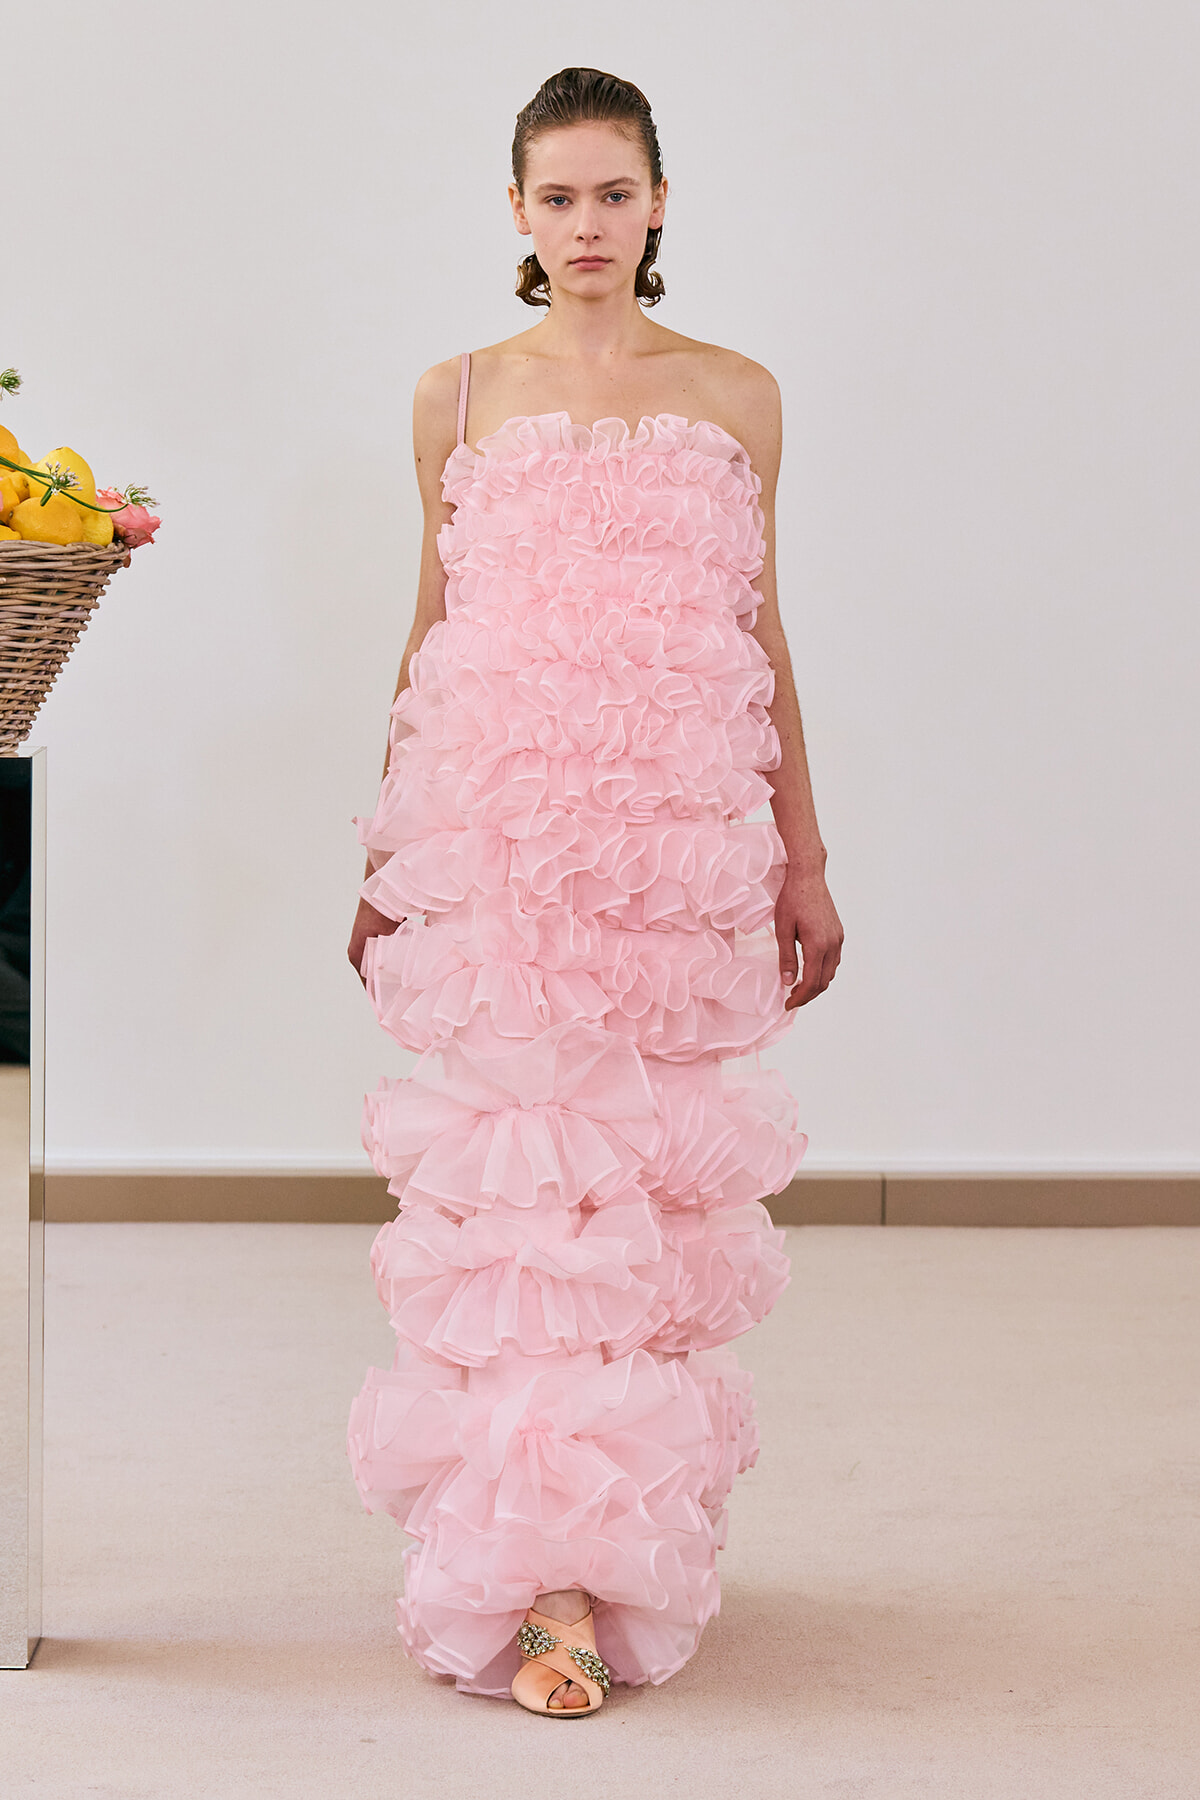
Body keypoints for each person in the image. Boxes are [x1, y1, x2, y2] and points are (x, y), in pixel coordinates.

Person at [345, 66, 843, 1717]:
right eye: (555, 199)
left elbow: (756, 641)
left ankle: (615, 1532)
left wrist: (806, 853)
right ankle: (545, 1578)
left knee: (633, 1209)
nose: (585, 228)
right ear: (514, 214)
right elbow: (435, 628)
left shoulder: (739, 396)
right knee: (524, 1210)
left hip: (672, 859)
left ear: (659, 202)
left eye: (612, 195)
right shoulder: (461, 398)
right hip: (496, 851)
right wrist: (384, 851)